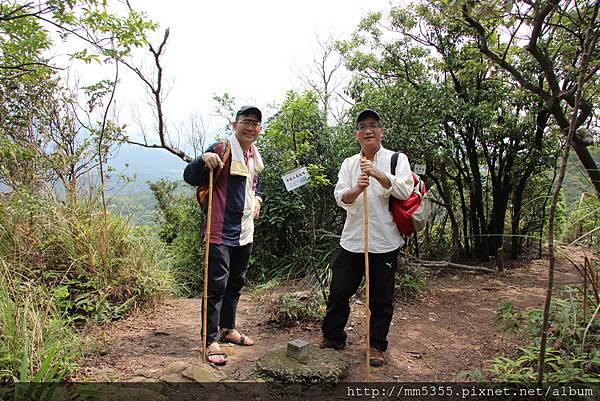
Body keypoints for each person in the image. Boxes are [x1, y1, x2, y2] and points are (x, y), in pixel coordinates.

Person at [321, 109, 414, 367]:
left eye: (373, 125)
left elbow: (406, 189)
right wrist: (357, 188)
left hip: (384, 243)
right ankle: (333, 338)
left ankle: (376, 346)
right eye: (362, 127)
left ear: (381, 132)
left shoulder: (397, 159)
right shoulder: (349, 164)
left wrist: (376, 173)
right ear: (356, 134)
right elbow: (341, 197)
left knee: (380, 299)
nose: (368, 130)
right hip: (351, 241)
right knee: (339, 292)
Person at [183, 106, 264, 365]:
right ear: (235, 124)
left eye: (255, 123)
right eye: (246, 122)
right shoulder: (220, 149)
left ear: (259, 129)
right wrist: (201, 159)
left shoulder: (253, 156)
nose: (250, 127)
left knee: (235, 283)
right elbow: (190, 176)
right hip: (219, 229)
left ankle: (228, 329)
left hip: (245, 231)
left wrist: (258, 198)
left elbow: (253, 183)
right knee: (216, 286)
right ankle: (210, 339)